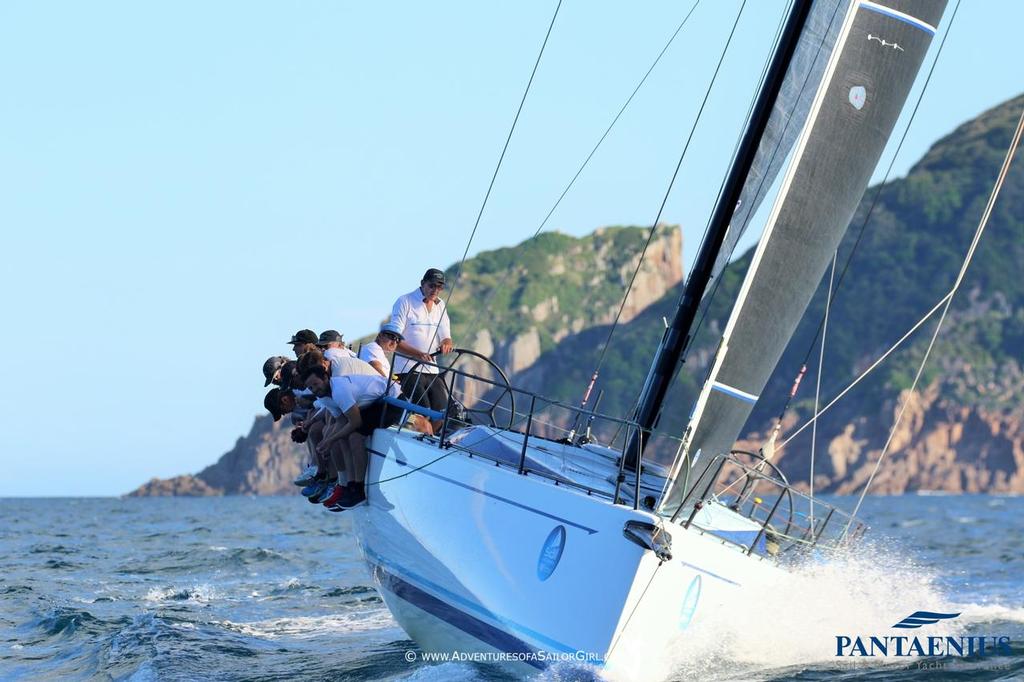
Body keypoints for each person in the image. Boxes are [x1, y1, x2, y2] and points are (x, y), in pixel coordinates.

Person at [304, 367, 403, 507]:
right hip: (374, 403)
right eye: (310, 387)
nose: (314, 389)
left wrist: (330, 440)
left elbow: (355, 422)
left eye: (316, 384)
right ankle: (349, 486)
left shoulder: (339, 391)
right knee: (343, 437)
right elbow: (341, 421)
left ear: (325, 378)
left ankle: (359, 490)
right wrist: (327, 441)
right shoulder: (324, 397)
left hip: (392, 400)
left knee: (355, 437)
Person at [389, 268, 453, 431]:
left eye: (440, 287)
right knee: (421, 412)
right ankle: (423, 438)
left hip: (432, 371)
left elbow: (445, 334)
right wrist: (418, 354)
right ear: (422, 283)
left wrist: (446, 342)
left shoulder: (441, 306)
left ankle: (428, 439)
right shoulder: (405, 301)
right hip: (407, 370)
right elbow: (394, 339)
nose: (436, 291)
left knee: (443, 412)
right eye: (432, 286)